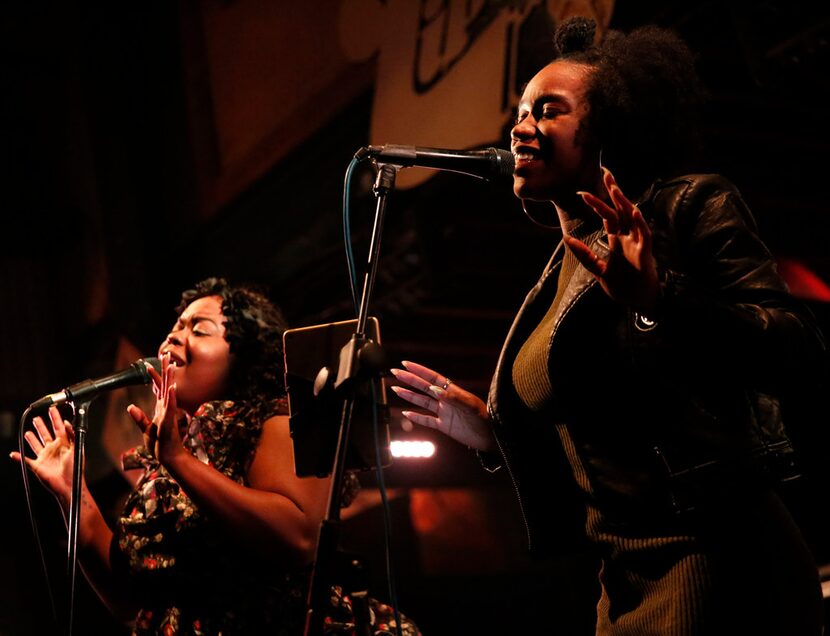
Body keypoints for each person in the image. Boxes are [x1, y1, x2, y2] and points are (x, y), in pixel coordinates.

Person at [390, 16, 827, 636]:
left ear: (611, 126)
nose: (520, 128)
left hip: (716, 552)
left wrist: (659, 297)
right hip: (622, 579)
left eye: (547, 111)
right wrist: (490, 431)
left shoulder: (687, 207)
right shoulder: (556, 275)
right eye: (519, 112)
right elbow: (596, 428)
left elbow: (795, 346)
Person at [13, 277, 419, 635]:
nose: (173, 337)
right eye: (174, 327)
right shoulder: (166, 460)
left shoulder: (272, 421)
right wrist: (73, 494)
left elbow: (298, 539)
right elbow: (126, 598)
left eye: (199, 330)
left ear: (243, 357)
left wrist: (178, 460)